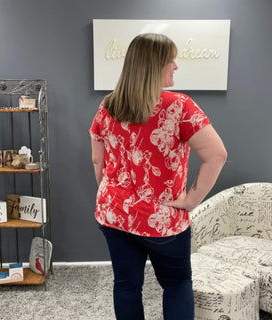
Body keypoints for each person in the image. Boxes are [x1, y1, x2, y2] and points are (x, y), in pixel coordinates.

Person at [89, 33, 227, 320]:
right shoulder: (180, 107)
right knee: (176, 284)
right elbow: (217, 155)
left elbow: (97, 158)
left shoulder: (108, 105)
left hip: (115, 214)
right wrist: (191, 201)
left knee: (126, 285)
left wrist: (113, 196)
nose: (175, 66)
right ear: (153, 66)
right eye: (170, 60)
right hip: (162, 220)